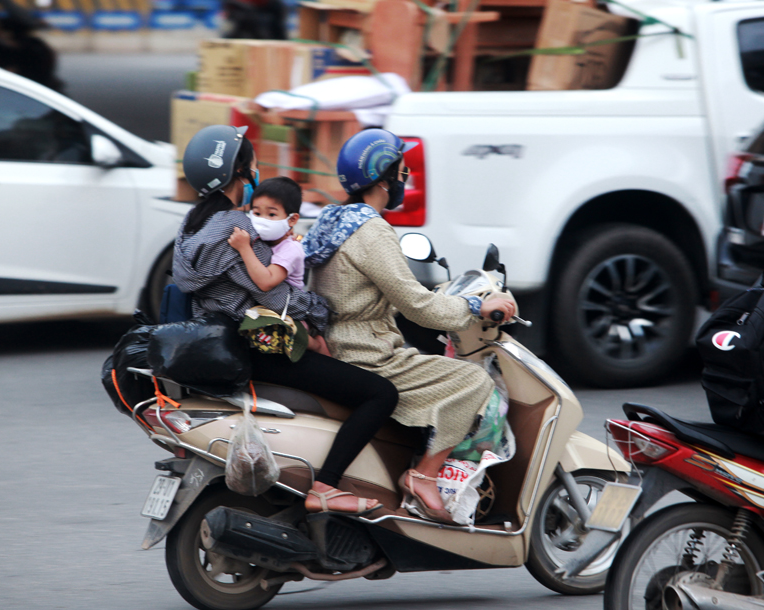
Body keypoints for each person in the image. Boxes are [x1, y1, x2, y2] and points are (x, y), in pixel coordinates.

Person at [174, 125, 398, 515]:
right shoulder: (236, 225)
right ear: (237, 173)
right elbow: (274, 295)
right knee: (380, 394)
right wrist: (317, 311)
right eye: (253, 167)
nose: (256, 175)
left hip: (219, 340)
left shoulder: (191, 225)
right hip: (260, 345)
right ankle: (326, 487)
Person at [302, 129, 516, 523]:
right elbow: (418, 307)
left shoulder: (332, 219)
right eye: (402, 172)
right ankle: (423, 476)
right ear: (382, 179)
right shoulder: (372, 230)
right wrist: (476, 305)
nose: (406, 180)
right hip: (368, 352)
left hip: (336, 343)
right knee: (473, 381)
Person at [227, 176, 330, 356]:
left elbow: (267, 282)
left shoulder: (291, 249)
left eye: (272, 214)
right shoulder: (262, 241)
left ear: (291, 220)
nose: (262, 220)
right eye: (257, 213)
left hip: (290, 316)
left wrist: (243, 248)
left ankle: (317, 346)